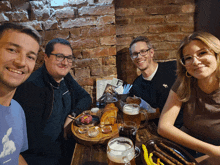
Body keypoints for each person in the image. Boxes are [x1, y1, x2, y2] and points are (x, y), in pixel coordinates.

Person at [13, 38, 92, 165]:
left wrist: (72, 116)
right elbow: (26, 141)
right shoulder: (31, 87)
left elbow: (86, 98)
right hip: (44, 158)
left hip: (67, 148)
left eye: (69, 58)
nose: (65, 63)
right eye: (59, 57)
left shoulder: (65, 77)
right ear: (46, 57)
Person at [157, 31, 220, 159]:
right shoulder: (184, 82)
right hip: (189, 146)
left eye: (202, 53)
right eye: (188, 58)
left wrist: (213, 153)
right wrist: (212, 151)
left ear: (217, 54)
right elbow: (163, 126)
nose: (195, 62)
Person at [0, 23, 41, 164]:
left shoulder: (17, 110)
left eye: (30, 57)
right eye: (12, 50)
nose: (21, 62)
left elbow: (14, 156)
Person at [128, 36, 183, 127]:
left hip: (184, 128)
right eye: (135, 54)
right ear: (132, 58)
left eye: (143, 51)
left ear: (151, 53)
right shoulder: (136, 85)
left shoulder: (174, 68)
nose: (139, 56)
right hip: (158, 132)